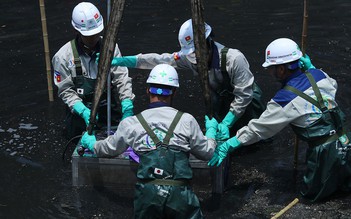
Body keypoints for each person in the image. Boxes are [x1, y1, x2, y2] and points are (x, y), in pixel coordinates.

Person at [208, 38, 351, 202]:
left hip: (324, 153)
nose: (269, 72)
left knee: (311, 197)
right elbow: (332, 85)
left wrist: (230, 144)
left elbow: (259, 129)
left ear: (282, 69)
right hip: (346, 141)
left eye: (271, 68)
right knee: (345, 186)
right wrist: (311, 68)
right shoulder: (319, 74)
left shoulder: (284, 99)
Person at [80, 64, 218, 218]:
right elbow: (207, 153)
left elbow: (108, 149)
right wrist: (211, 134)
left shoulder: (132, 123)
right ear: (174, 91)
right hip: (180, 195)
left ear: (147, 90)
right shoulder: (187, 120)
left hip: (148, 195)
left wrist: (91, 144)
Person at [101, 18, 266, 141]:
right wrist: (126, 61)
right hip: (220, 103)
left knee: (253, 140)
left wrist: (228, 122)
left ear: (208, 43)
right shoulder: (190, 58)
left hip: (246, 105)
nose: (195, 58)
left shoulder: (234, 59)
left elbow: (244, 95)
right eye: (192, 54)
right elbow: (161, 59)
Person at [52, 2, 135, 142]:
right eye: (88, 35)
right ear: (77, 30)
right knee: (79, 145)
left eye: (96, 33)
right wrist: (82, 110)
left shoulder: (111, 48)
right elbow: (65, 90)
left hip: (108, 107)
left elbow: (121, 77)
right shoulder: (63, 57)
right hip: (79, 114)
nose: (93, 38)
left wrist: (127, 102)